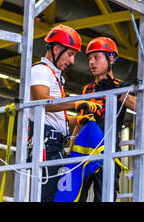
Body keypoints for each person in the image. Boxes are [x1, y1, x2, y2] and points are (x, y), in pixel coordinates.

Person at [29, 24, 103, 202]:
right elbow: (41, 100)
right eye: (70, 54)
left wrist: (77, 120)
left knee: (54, 195)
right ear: (56, 49)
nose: (72, 61)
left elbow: (53, 115)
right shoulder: (40, 70)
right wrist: (76, 103)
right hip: (45, 144)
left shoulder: (54, 75)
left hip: (53, 143)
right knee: (45, 195)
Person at [76, 36, 136, 202]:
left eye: (97, 57)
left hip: (108, 147)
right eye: (89, 58)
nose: (92, 63)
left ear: (110, 59)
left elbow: (139, 107)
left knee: (105, 196)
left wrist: (117, 92)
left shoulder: (121, 85)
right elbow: (80, 120)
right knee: (75, 195)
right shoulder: (87, 90)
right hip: (84, 147)